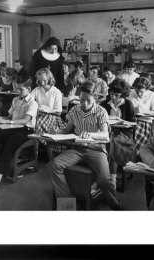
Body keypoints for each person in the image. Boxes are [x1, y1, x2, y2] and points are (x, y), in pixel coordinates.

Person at [48, 80, 123, 210]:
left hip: (96, 150)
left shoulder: (101, 111)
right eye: (82, 99)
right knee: (54, 165)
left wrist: (91, 134)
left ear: (95, 98)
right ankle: (68, 205)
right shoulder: (74, 110)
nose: (84, 103)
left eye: (88, 100)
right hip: (77, 149)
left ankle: (116, 204)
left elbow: (105, 135)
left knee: (104, 180)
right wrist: (56, 131)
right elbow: (67, 130)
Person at [0, 76, 38, 190]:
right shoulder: (15, 99)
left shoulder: (33, 103)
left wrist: (8, 122)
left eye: (21, 89)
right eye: (17, 88)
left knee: (9, 144)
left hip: (25, 129)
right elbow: (9, 116)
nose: (18, 91)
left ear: (29, 89)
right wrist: (0, 117)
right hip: (13, 127)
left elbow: (26, 121)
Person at [100, 78, 136, 189]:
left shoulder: (128, 104)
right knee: (109, 140)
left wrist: (122, 123)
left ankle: (112, 179)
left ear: (123, 95)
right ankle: (102, 177)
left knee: (113, 142)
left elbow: (133, 124)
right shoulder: (105, 104)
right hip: (107, 132)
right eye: (112, 94)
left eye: (117, 95)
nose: (114, 97)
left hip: (124, 134)